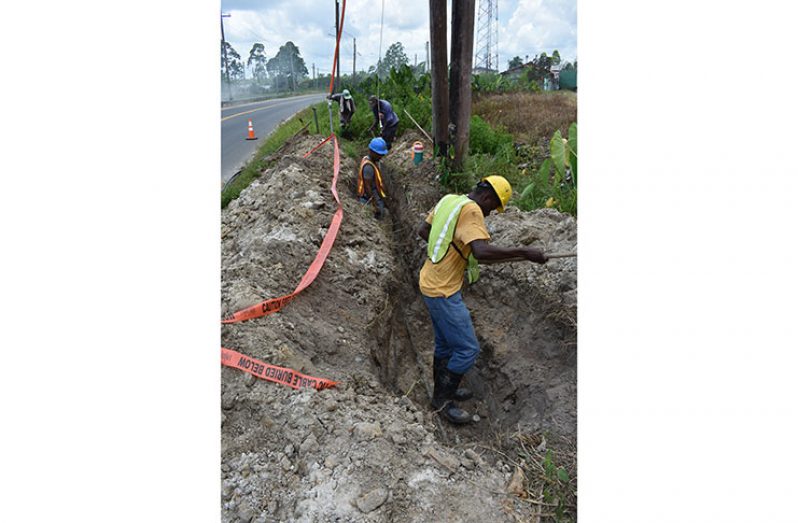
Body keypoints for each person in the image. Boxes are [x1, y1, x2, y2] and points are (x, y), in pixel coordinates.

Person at [416, 176, 548, 425]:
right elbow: (482, 252)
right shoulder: (473, 210)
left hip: (430, 280)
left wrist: (449, 251)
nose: (489, 214)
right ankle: (442, 401)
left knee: (445, 345)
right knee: (467, 349)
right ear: (488, 198)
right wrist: (525, 252)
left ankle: (444, 391)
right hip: (443, 290)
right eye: (492, 209)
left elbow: (424, 231)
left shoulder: (450, 200)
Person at [357, 137, 389, 219]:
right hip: (368, 198)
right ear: (372, 152)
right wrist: (374, 204)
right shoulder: (368, 167)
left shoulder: (368, 159)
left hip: (372, 195)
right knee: (380, 215)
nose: (381, 156)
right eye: (379, 154)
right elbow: (367, 187)